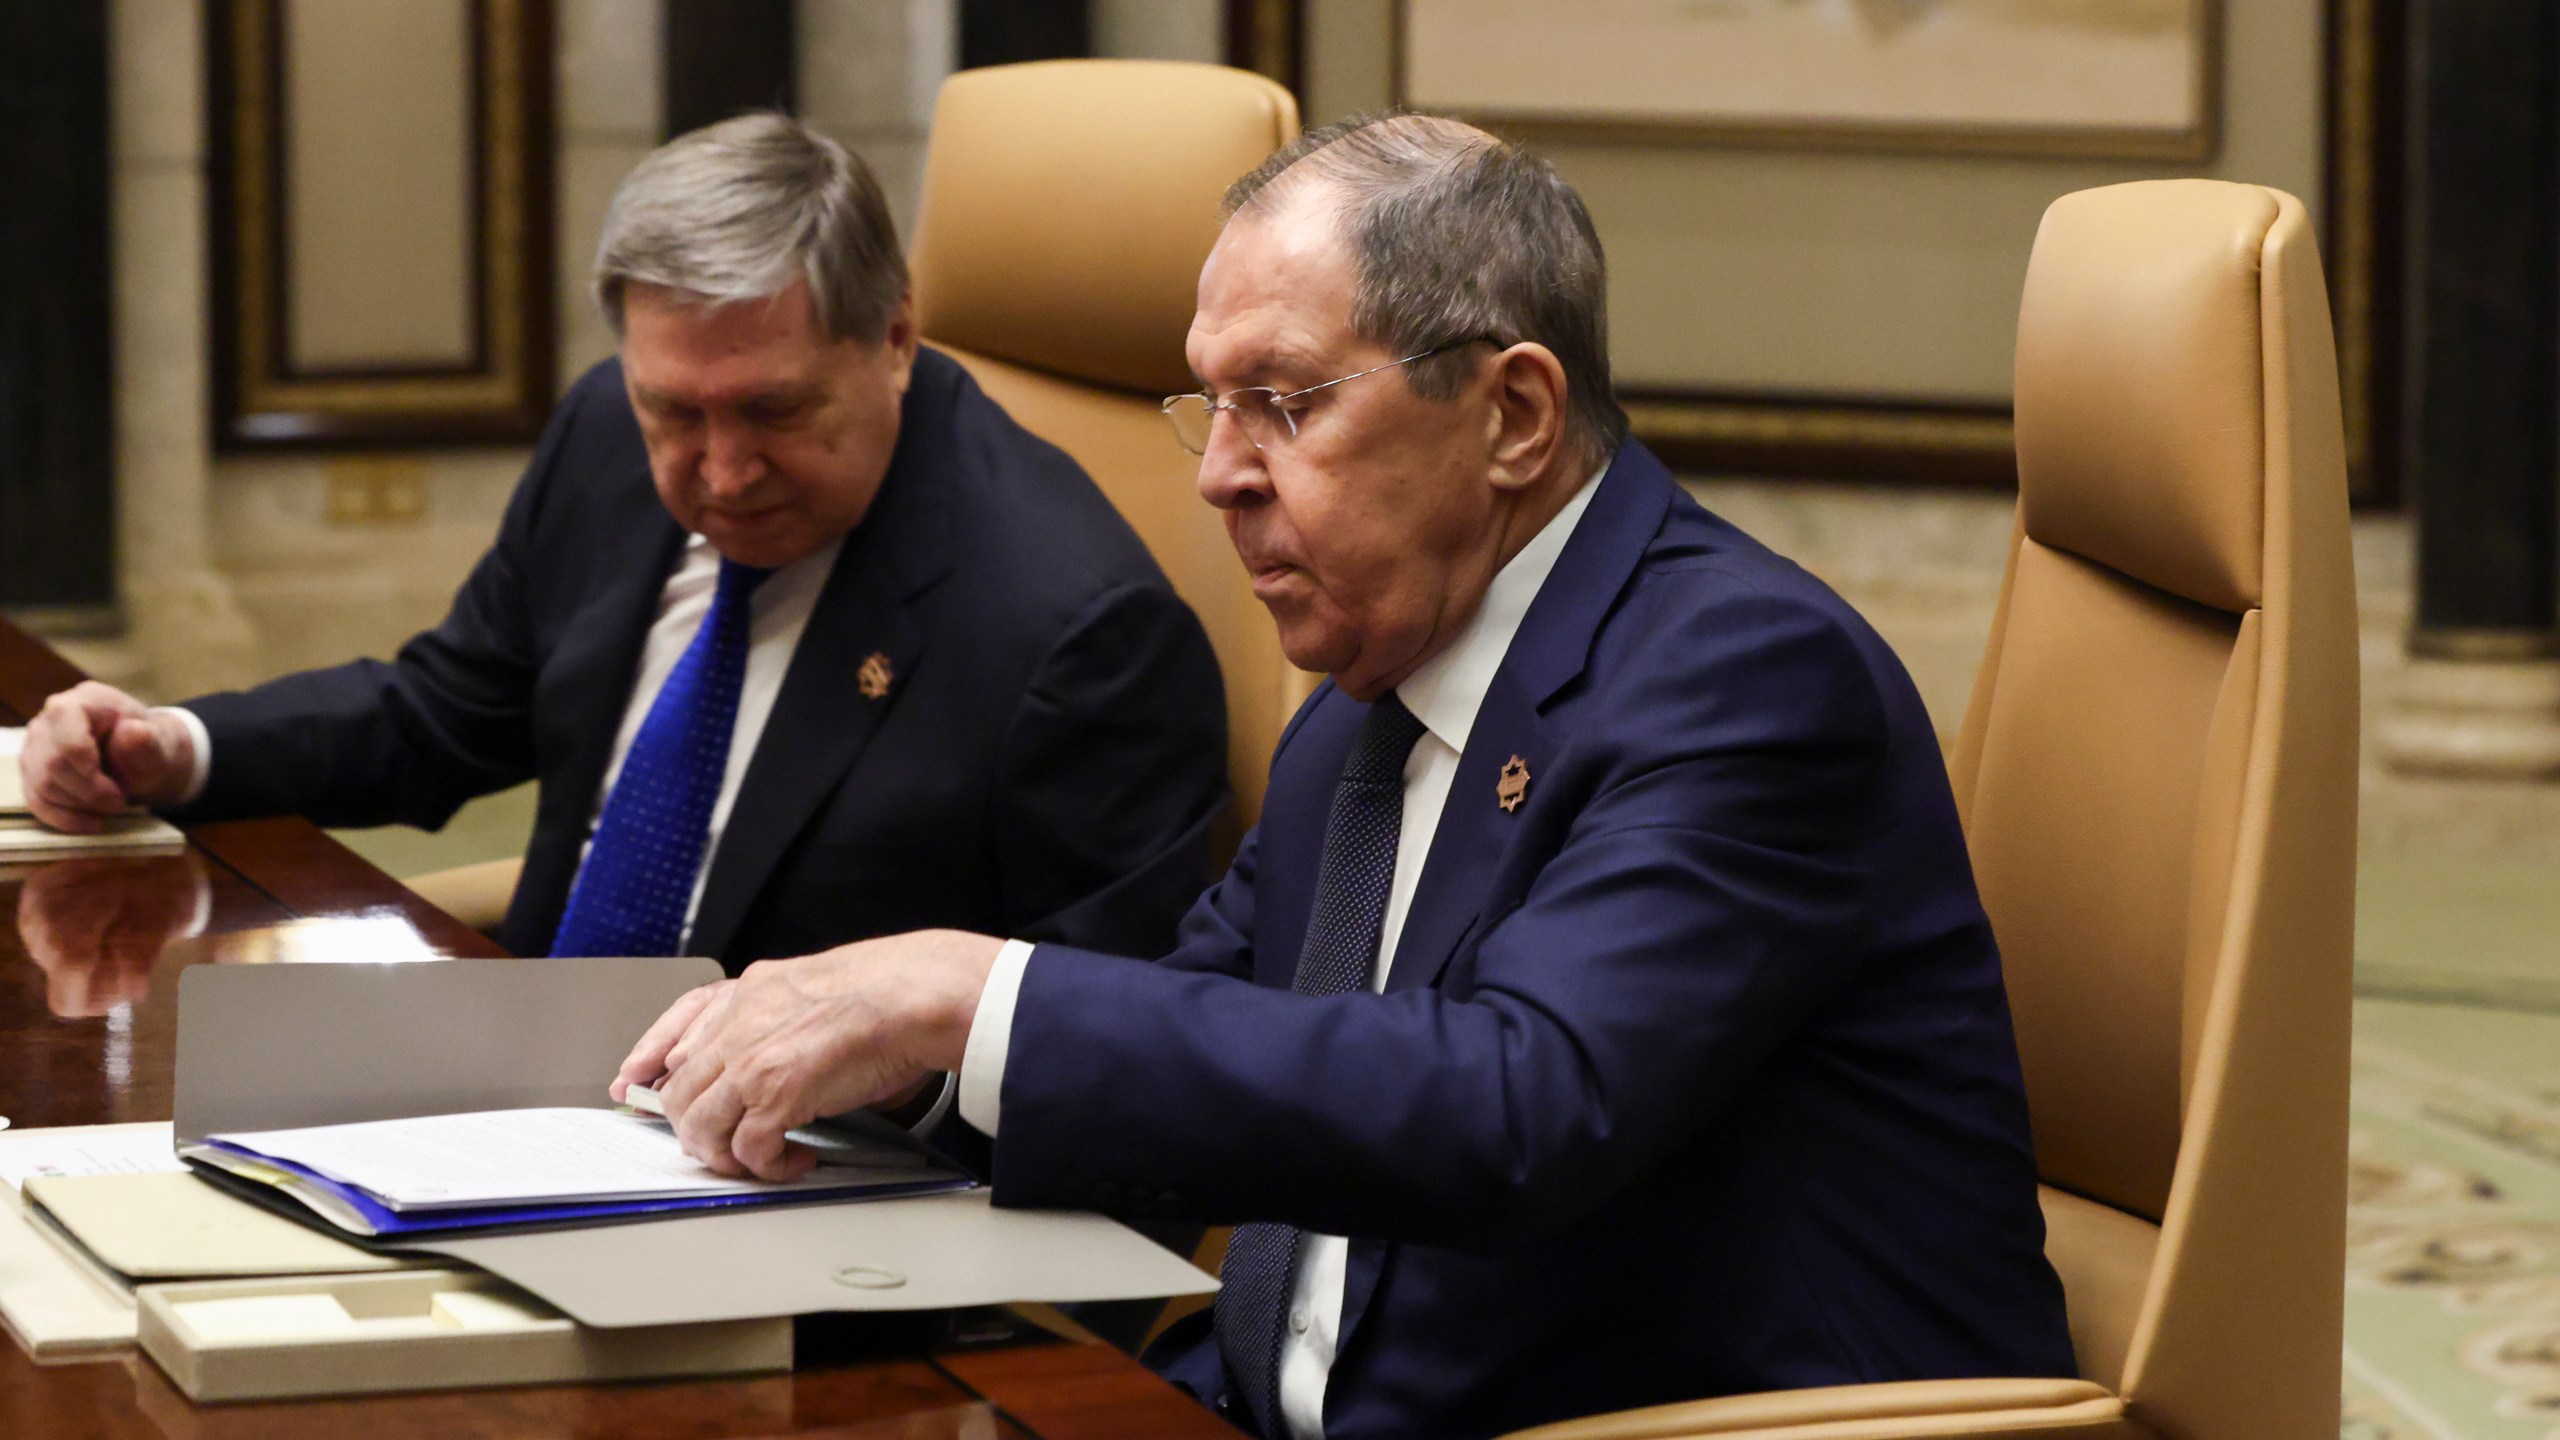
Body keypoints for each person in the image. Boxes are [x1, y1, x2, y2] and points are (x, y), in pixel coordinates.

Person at [611, 114, 2077, 1440]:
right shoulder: (1368, 710)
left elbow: (1521, 1105)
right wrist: (900, 1067)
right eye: (1213, 406)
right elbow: (1200, 1078)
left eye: (1287, 402)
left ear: (1512, 417)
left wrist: (972, 991)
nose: (1217, 473)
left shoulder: (1744, 678)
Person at [13, 113, 1229, 976]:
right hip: (532, 1083)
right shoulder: (604, 430)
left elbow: (1104, 1040)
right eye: (674, 412)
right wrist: (175, 748)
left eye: (773, 410)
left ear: (896, 338)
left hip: (812, 1184)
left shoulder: (1074, 631)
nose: (719, 472)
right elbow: (449, 711)